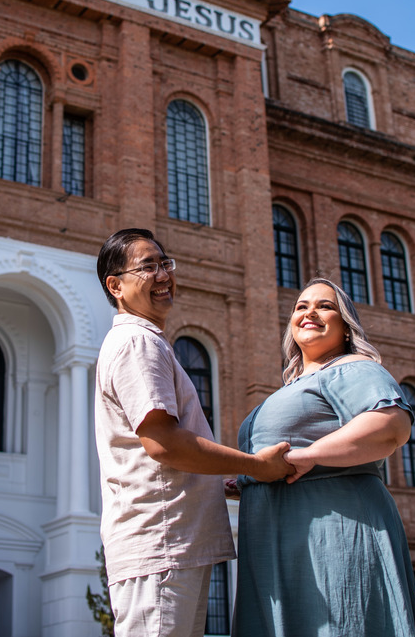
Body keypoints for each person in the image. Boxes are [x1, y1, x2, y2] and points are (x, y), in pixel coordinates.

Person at [93, 228, 294, 637]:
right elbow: (164, 444)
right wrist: (257, 465)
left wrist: (212, 481)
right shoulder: (137, 342)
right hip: (160, 545)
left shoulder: (147, 341)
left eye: (165, 263)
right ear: (116, 285)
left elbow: (154, 452)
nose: (164, 275)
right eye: (147, 266)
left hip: (166, 542)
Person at [231, 277, 415, 637]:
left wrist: (311, 455)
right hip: (281, 541)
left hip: (333, 533)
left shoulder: (353, 368)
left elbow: (392, 425)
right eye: (301, 306)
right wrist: (248, 477)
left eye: (325, 306)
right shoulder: (294, 386)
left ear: (346, 327)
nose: (310, 312)